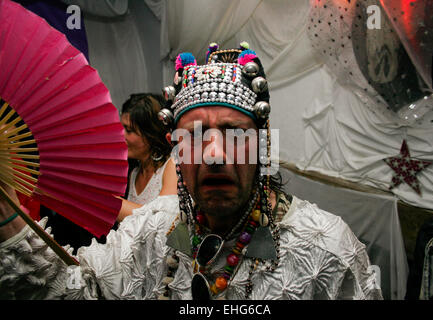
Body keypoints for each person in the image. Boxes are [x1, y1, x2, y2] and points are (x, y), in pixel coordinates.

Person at [0, 42, 382, 300]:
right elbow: (69, 291)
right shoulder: (152, 230)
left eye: (234, 133)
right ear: (177, 151)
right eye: (196, 135)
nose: (214, 153)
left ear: (264, 145)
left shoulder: (328, 248)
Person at [117, 93, 177, 222]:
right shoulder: (133, 172)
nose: (121, 135)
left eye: (129, 130)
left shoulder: (171, 166)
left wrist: (108, 201)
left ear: (151, 134)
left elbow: (163, 220)